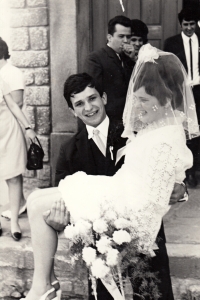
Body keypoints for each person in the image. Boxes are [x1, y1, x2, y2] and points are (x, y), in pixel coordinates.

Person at [22, 43, 197, 300]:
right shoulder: (69, 150)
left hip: (139, 233)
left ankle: (44, 286)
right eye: (79, 104)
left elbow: (170, 176)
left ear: (103, 98)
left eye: (92, 98)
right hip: (100, 244)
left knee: (153, 295)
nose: (88, 107)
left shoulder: (134, 130)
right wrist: (58, 221)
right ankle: (45, 283)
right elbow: (63, 205)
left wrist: (180, 190)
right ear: (72, 111)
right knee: (36, 200)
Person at [164, 7, 200, 187]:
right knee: (185, 131)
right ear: (180, 24)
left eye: (192, 24)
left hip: (199, 90)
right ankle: (188, 173)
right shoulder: (171, 43)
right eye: (185, 24)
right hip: (181, 92)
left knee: (199, 131)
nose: (189, 28)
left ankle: (197, 171)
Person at [0, 76, 36, 240]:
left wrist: (28, 127)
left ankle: (15, 222)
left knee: (14, 178)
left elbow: (13, 105)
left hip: (8, 132)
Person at [84, 15, 134, 121]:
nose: (126, 41)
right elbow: (94, 93)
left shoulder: (129, 58)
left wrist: (134, 59)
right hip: (109, 118)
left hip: (129, 117)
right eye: (121, 36)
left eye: (128, 37)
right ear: (109, 37)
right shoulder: (95, 58)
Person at [0, 37, 27, 219]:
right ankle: (19, 204)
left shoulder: (12, 72)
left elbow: (16, 101)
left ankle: (18, 208)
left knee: (13, 172)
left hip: (8, 127)